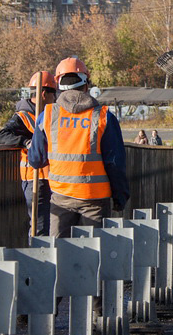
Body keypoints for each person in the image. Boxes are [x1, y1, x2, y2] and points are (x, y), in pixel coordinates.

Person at [29, 57, 129, 237]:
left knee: (59, 254)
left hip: (61, 198)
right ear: (86, 85)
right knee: (93, 258)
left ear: (59, 85)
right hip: (95, 201)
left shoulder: (48, 115)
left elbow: (36, 159)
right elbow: (115, 163)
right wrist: (120, 196)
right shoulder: (104, 117)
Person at [0, 70, 57, 237]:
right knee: (40, 226)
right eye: (54, 93)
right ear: (44, 94)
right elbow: (2, 135)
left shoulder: (52, 114)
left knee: (52, 226)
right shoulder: (23, 117)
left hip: (53, 178)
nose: (55, 98)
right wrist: (26, 142)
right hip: (34, 179)